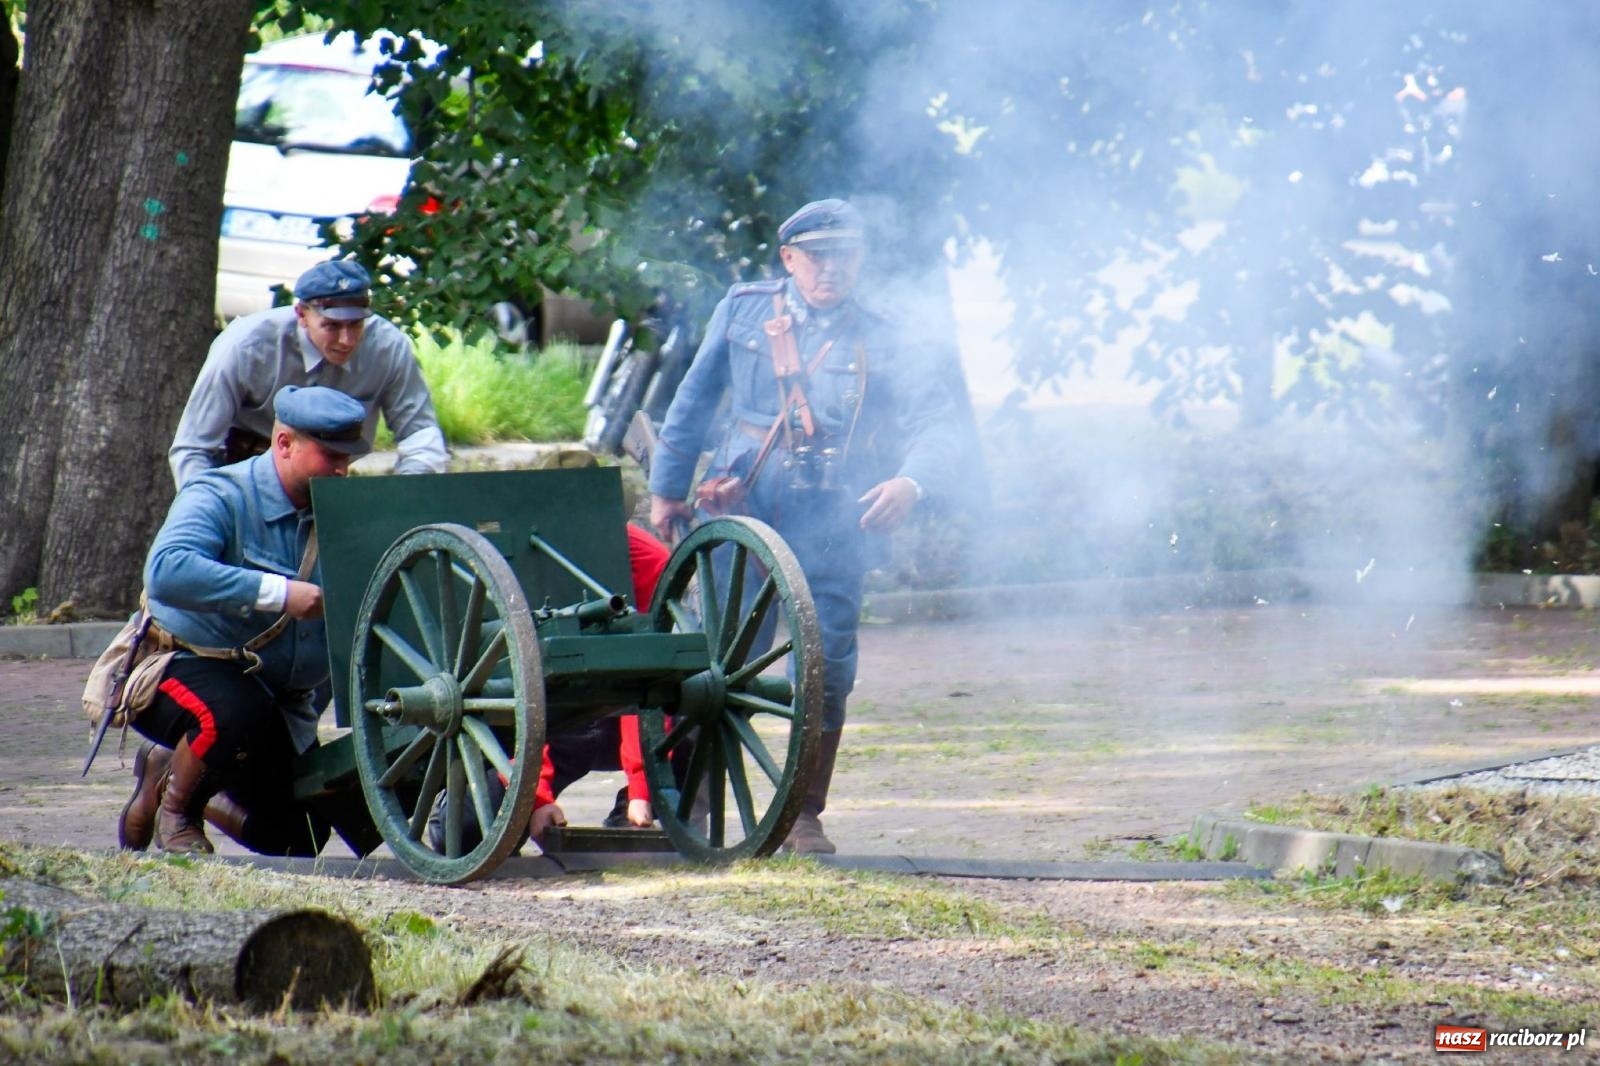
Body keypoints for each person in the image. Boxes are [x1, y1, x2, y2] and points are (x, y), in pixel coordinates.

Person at [647, 198, 961, 854]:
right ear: (787, 257)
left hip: (837, 523)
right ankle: (696, 804)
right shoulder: (744, 309)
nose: (829, 269)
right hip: (745, 511)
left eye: (842, 255)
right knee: (713, 662)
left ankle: (805, 815)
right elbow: (694, 399)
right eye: (814, 256)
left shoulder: (887, 330)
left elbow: (938, 421)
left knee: (829, 667)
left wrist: (912, 481)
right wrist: (666, 491)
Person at [118, 386, 371, 855]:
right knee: (235, 711)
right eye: (330, 455)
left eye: (347, 457)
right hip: (181, 664)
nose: (341, 469)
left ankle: (168, 772)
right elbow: (167, 570)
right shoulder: (219, 493)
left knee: (302, 838)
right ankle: (179, 814)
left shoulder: (339, 512)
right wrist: (276, 593)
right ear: (284, 443)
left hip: (275, 701)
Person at [169, 260, 448, 489]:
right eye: (332, 326)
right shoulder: (246, 346)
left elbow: (421, 435)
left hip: (332, 483)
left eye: (356, 325)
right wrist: (206, 509)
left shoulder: (387, 347)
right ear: (302, 314)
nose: (347, 340)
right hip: (246, 476)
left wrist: (407, 495)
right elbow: (194, 448)